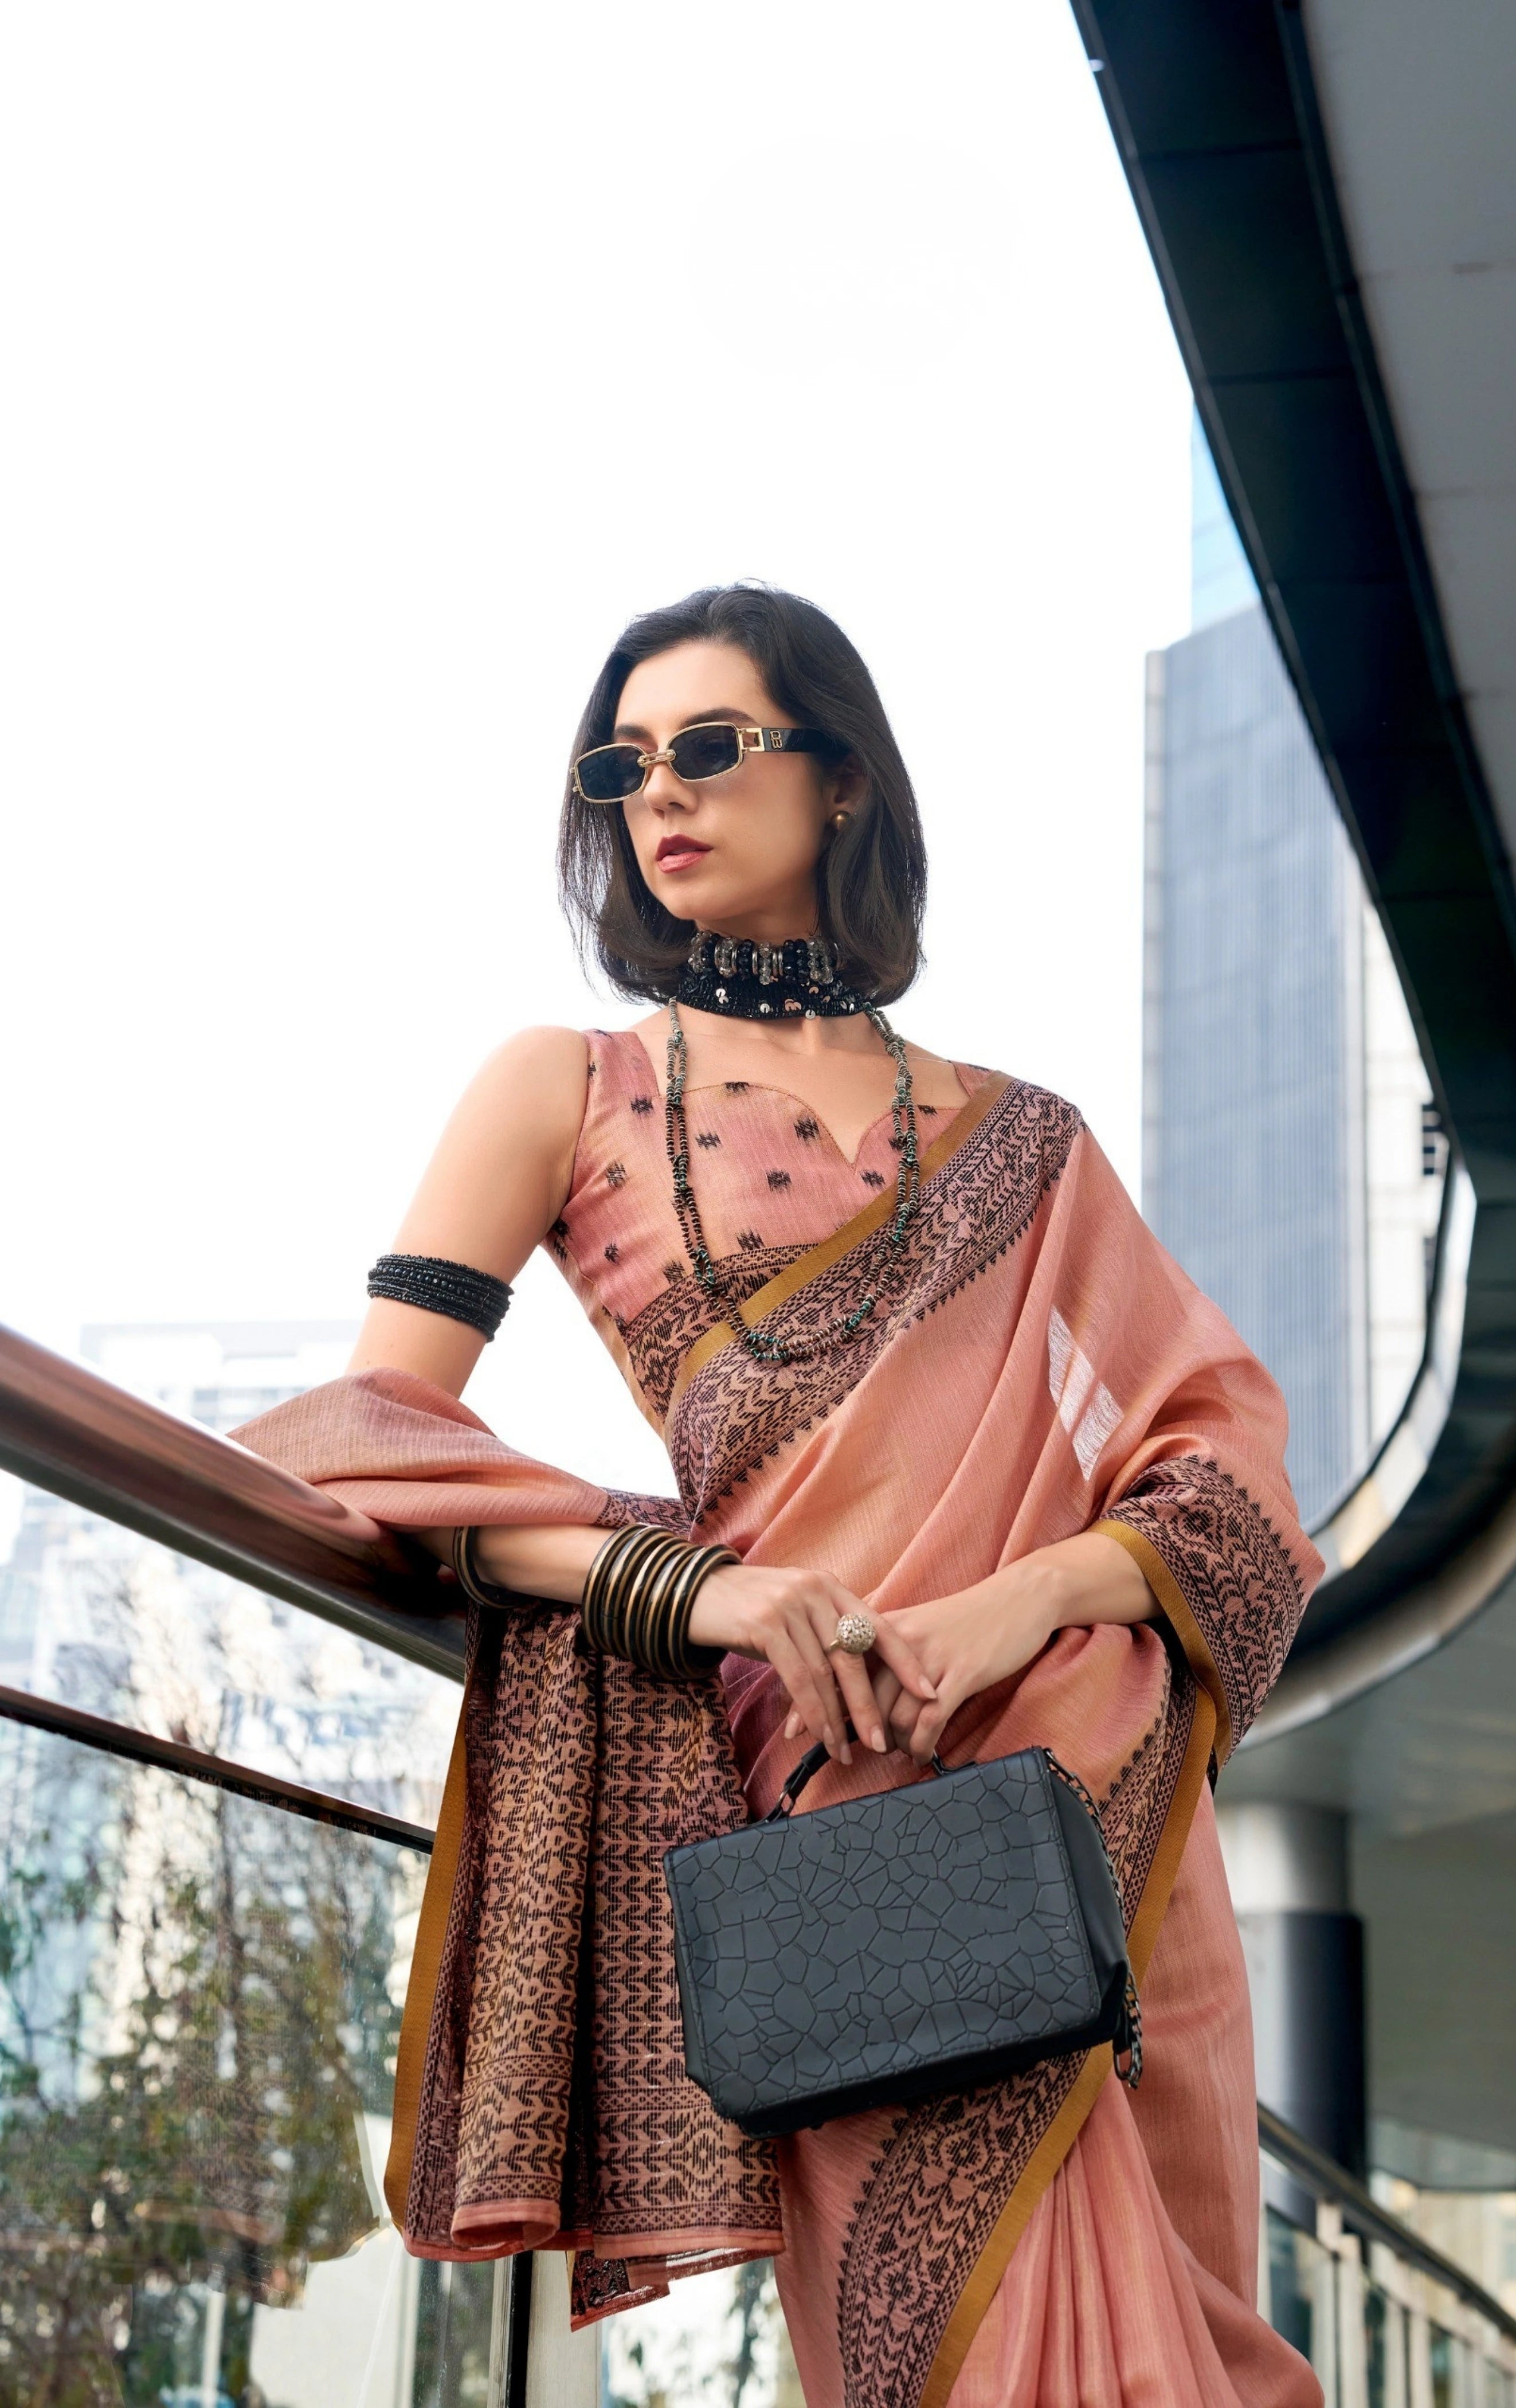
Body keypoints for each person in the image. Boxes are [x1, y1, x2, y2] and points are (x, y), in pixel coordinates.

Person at [234, 584, 1324, 2408]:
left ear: (841, 784)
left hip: (1100, 1812)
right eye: (623, 763)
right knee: (937, 2347)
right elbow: (359, 1444)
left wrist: (1032, 1595)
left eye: (712, 748)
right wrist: (706, 1592)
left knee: (1205, 2346)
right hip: (843, 1826)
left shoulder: (1027, 1140)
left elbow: (1220, 1456)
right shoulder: (565, 1089)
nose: (657, 794)